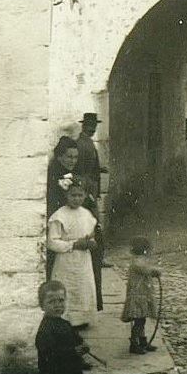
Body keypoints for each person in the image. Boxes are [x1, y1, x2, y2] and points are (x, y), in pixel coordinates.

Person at [47, 177, 99, 329]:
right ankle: (66, 320)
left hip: (83, 259)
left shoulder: (87, 214)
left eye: (80, 195)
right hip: (66, 260)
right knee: (68, 286)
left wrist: (91, 243)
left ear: (84, 196)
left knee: (82, 286)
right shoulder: (59, 216)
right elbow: (52, 242)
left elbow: (91, 236)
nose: (77, 199)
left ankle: (81, 319)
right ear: (66, 196)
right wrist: (73, 244)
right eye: (73, 195)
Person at [35, 280, 88, 374]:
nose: (57, 305)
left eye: (61, 300)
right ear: (42, 305)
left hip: (71, 373)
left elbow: (73, 337)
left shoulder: (65, 323)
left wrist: (82, 343)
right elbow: (50, 353)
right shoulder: (45, 329)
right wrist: (73, 352)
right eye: (51, 302)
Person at [74, 112, 111, 269]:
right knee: (95, 225)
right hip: (87, 191)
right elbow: (81, 170)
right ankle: (97, 258)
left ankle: (96, 256)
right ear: (84, 126)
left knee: (92, 224)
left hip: (89, 190)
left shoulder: (86, 142)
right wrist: (88, 193)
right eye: (90, 126)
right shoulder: (82, 144)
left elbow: (89, 166)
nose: (93, 128)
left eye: (94, 126)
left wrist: (100, 168)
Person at [46, 136, 80, 280]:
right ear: (60, 157)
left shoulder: (69, 173)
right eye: (69, 157)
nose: (73, 160)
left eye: (75, 157)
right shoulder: (55, 175)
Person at [121, 236, 161, 355]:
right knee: (139, 321)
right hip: (138, 297)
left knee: (141, 320)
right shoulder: (137, 262)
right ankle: (134, 343)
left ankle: (142, 341)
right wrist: (155, 271)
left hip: (142, 295)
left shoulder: (140, 260)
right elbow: (145, 269)